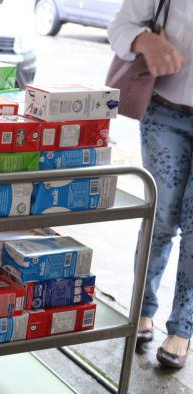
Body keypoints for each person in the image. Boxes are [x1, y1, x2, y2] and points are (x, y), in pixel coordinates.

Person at [108, 0, 192, 368]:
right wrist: (144, 40)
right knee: (160, 218)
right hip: (164, 112)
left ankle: (183, 329)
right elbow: (119, 27)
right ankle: (142, 309)